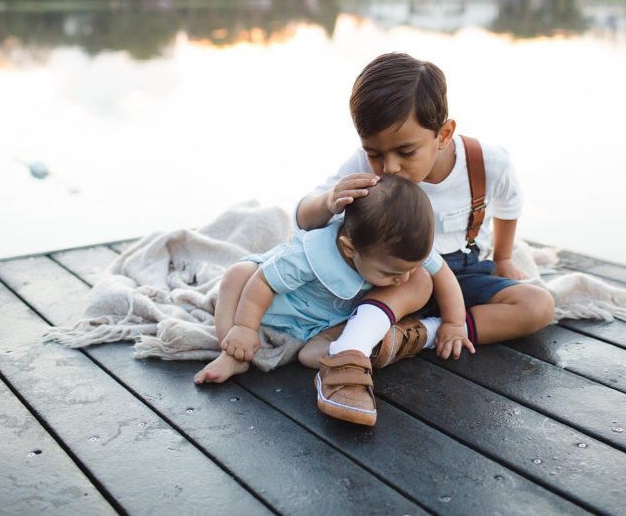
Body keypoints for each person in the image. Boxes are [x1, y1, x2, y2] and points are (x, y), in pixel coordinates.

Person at [295, 51, 555, 369]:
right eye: (374, 152)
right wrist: (327, 201)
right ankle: (355, 342)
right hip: (397, 279)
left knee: (539, 304)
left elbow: (509, 205)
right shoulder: (363, 165)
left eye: (406, 151)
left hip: (465, 273)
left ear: (443, 135)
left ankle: (423, 334)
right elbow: (303, 218)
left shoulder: (486, 163)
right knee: (415, 281)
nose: (389, 166)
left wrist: (502, 259)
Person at [194, 175, 472, 426]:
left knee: (315, 354)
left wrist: (454, 322)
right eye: (391, 273)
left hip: (326, 323)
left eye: (408, 269)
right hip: (272, 307)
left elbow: (442, 274)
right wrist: (244, 326)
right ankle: (232, 353)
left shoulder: (398, 250)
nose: (403, 279)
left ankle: (349, 353)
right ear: (349, 249)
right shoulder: (310, 255)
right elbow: (263, 283)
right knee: (237, 275)